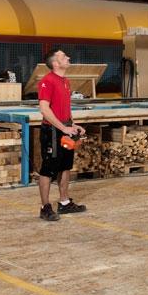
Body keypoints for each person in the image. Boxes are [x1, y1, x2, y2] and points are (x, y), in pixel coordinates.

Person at [37, 48, 88, 221]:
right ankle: (45, 208)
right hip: (51, 131)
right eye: (64, 56)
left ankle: (64, 203)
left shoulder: (65, 81)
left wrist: (72, 125)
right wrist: (62, 128)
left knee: (65, 166)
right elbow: (44, 109)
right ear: (55, 63)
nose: (68, 57)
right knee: (48, 169)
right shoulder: (47, 81)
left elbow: (64, 107)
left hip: (65, 129)